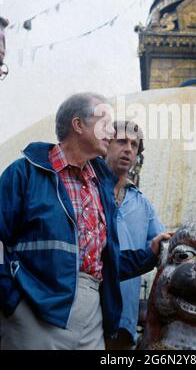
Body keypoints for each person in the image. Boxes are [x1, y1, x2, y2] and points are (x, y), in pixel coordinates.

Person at [0, 92, 170, 350]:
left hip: (93, 317)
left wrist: (150, 254)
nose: (111, 130)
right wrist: (12, 303)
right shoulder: (24, 173)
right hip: (35, 314)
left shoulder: (100, 187)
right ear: (78, 125)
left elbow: (106, 262)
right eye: (105, 123)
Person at [105, 121, 165, 350]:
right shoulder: (86, 191)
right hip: (85, 311)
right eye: (121, 141)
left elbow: (163, 245)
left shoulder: (143, 205)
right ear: (105, 145)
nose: (128, 149)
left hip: (124, 320)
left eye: (134, 145)